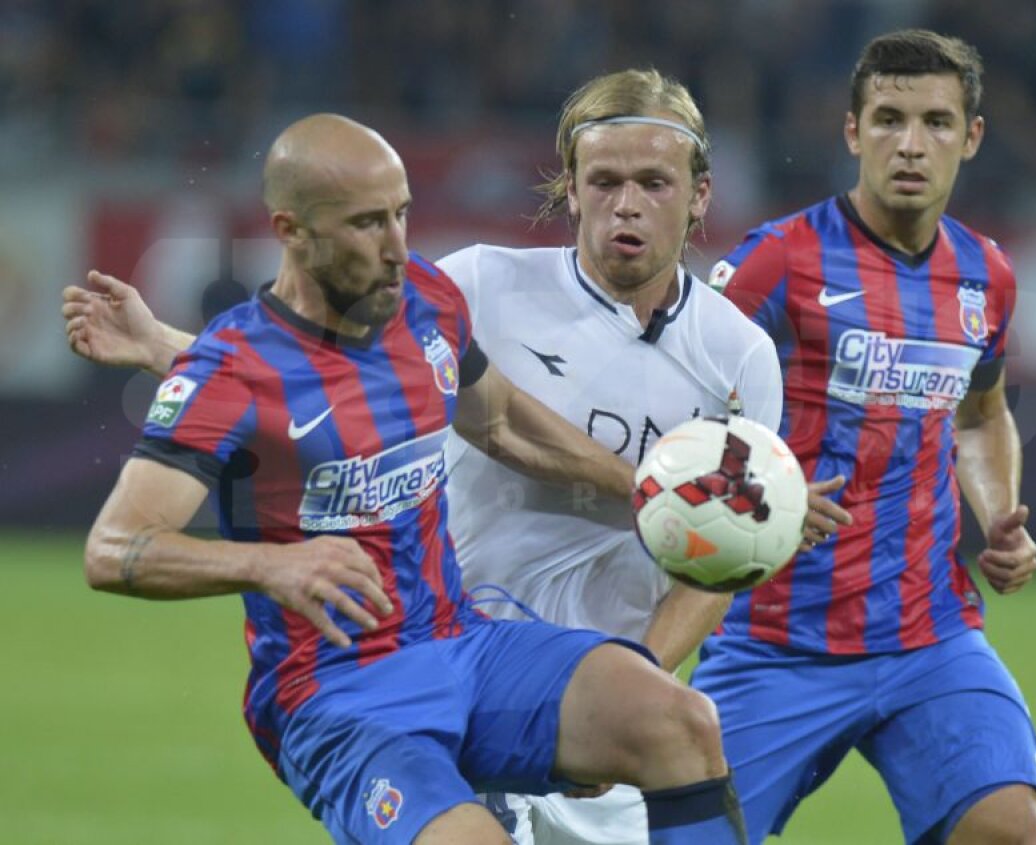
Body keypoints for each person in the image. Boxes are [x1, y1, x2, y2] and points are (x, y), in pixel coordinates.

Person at [65, 70, 839, 845]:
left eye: (401, 215)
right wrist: (271, 565)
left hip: (464, 646)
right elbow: (115, 547)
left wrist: (691, 495)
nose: (396, 246)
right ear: (291, 231)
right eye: (368, 223)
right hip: (342, 691)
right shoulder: (236, 367)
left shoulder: (425, 303)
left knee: (682, 721)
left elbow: (503, 420)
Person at [694, 30, 1036, 844]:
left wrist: (999, 516)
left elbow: (981, 413)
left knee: (1011, 831)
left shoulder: (986, 273)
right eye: (889, 119)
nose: (911, 144)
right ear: (853, 132)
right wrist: (763, 492)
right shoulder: (776, 262)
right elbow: (681, 414)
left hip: (932, 636)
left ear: (972, 137)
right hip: (776, 640)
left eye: (936, 122)